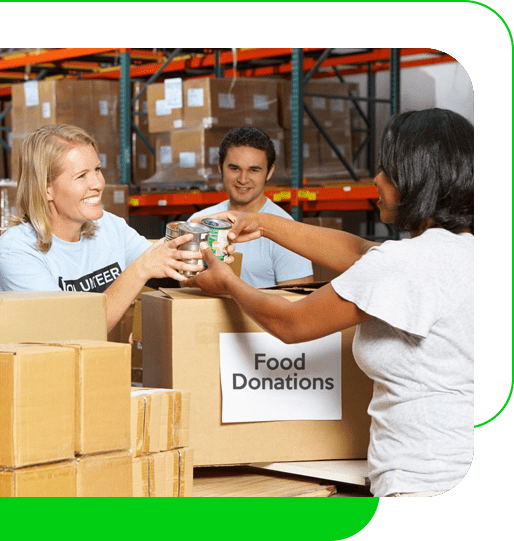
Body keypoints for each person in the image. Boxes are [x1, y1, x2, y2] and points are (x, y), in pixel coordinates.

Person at [185, 108, 474, 498]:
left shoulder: (403, 265)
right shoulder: (460, 252)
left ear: (415, 178)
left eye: (386, 170)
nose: (376, 180)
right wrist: (265, 223)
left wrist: (228, 283)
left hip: (424, 480)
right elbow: (362, 253)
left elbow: (293, 324)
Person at [0, 124, 207, 332]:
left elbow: (177, 274)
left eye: (97, 170)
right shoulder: (17, 252)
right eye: (81, 176)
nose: (98, 183)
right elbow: (69, 332)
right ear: (46, 190)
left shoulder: (110, 227)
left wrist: (203, 244)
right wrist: (140, 269)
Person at [188, 126, 313, 287]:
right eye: (234, 168)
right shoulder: (199, 222)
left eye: (254, 170)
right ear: (220, 167)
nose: (243, 179)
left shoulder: (287, 232)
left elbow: (298, 301)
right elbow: (183, 287)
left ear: (269, 172)